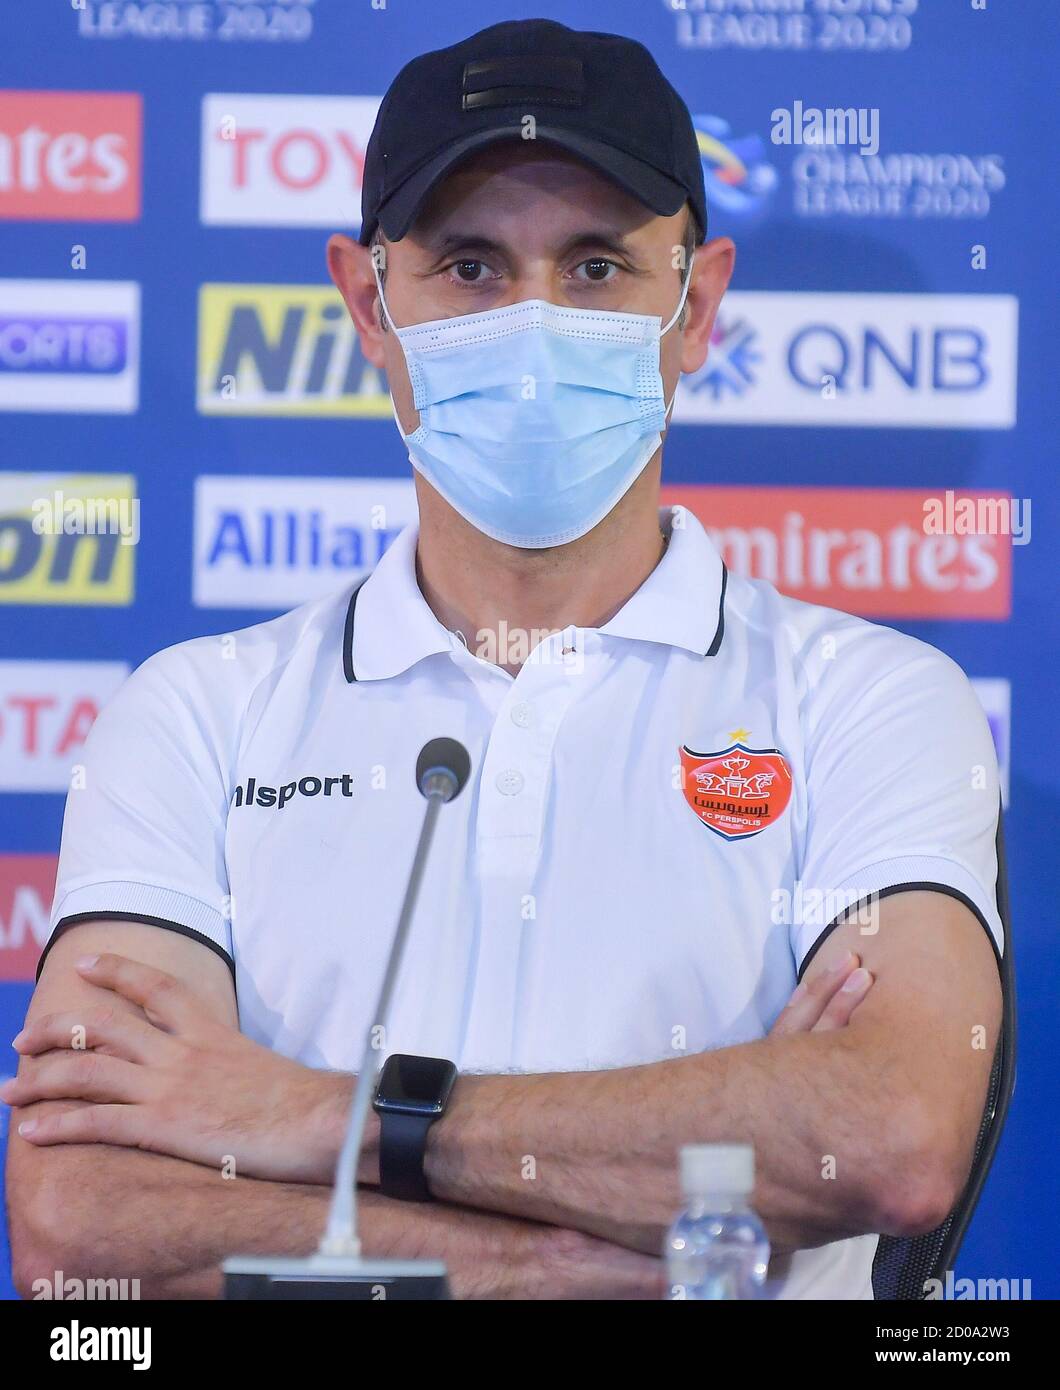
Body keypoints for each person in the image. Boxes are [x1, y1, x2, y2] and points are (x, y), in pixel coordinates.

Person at [4, 20, 1002, 1300]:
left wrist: (314, 1116)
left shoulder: (868, 699)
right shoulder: (197, 716)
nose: (532, 325)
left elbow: (888, 1133)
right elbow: (79, 1231)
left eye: (595, 269)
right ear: (370, 304)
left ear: (694, 306)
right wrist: (572, 1250)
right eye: (469, 267)